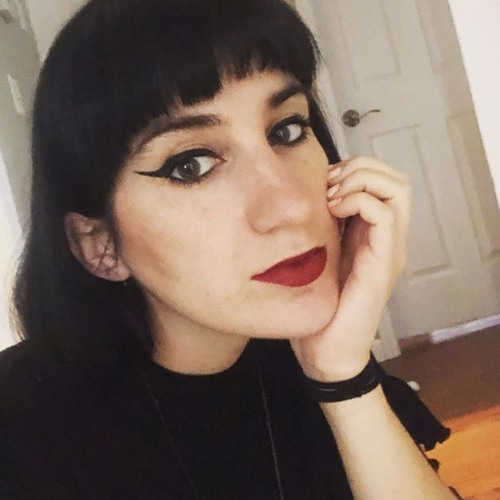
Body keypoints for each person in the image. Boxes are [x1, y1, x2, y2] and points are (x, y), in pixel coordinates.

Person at [0, 0, 457, 498]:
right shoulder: (21, 437)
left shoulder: (303, 358)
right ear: (101, 247)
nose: (290, 205)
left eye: (287, 130)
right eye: (191, 165)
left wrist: (343, 379)